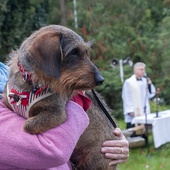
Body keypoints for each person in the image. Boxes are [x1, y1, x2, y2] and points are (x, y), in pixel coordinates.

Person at [0, 63, 129, 169]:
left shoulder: (11, 75)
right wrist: (76, 98)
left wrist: (111, 143)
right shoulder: (13, 85)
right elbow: (52, 151)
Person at [122, 62, 156, 130]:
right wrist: (130, 110)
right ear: (135, 70)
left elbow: (151, 94)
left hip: (144, 110)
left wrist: (149, 85)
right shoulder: (129, 82)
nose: (143, 71)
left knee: (144, 129)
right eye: (141, 69)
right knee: (134, 129)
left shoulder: (145, 81)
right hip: (134, 110)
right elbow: (126, 97)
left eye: (144, 69)